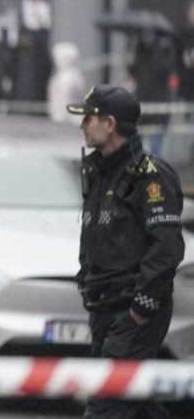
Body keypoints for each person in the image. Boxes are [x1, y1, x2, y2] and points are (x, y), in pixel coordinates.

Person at [67, 85, 184, 419]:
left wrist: (140, 308)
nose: (82, 126)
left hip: (132, 311)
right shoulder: (98, 171)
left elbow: (167, 248)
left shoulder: (150, 177)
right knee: (134, 402)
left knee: (105, 406)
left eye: (88, 118)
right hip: (103, 308)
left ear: (110, 123)